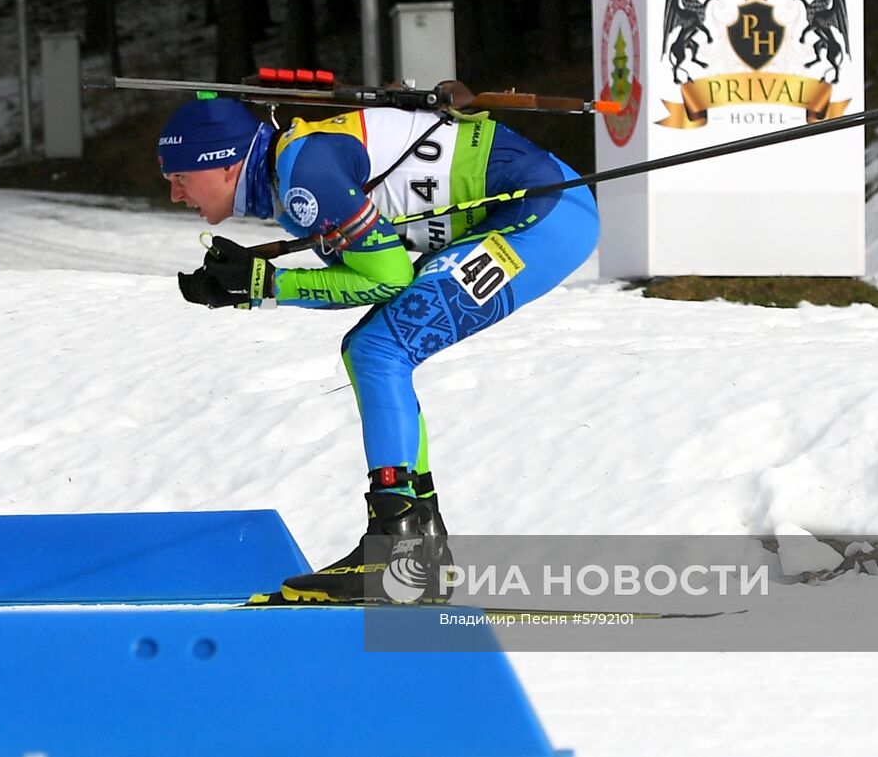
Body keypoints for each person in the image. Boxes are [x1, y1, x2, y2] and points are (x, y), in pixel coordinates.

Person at [159, 95, 599, 603]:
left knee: (379, 350)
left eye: (179, 178)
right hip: (548, 210)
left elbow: (386, 276)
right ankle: (421, 550)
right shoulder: (294, 168)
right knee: (374, 349)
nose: (174, 194)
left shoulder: (304, 172)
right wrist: (263, 282)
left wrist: (270, 285)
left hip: (541, 218)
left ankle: (396, 547)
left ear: (226, 163)